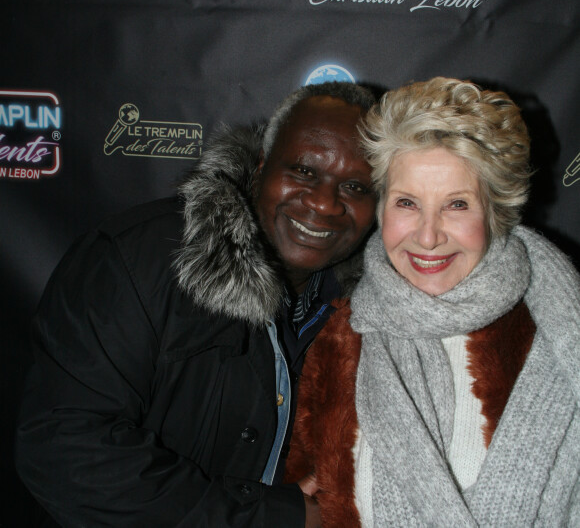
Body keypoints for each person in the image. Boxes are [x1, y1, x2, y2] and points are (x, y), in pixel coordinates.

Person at [15, 81, 378, 527]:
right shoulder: (135, 259)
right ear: (262, 166)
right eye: (304, 172)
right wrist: (272, 517)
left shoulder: (369, 310)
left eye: (357, 186)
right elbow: (65, 454)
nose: (324, 204)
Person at [284, 77, 580, 527]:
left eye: (457, 205)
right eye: (407, 202)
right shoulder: (336, 338)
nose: (427, 236)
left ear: (495, 212)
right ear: (382, 208)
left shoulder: (556, 330)